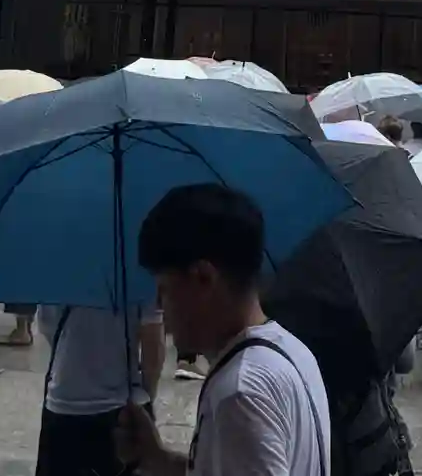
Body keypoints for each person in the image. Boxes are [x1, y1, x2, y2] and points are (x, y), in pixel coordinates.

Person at [114, 184, 329, 476]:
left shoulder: (239, 394)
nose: (159, 306)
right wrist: (156, 459)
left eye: (164, 289)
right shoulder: (292, 351)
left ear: (203, 278)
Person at [36, 303, 164, 476]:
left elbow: (47, 325)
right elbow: (153, 346)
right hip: (123, 405)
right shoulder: (139, 285)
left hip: (63, 400)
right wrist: (147, 395)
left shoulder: (55, 284)